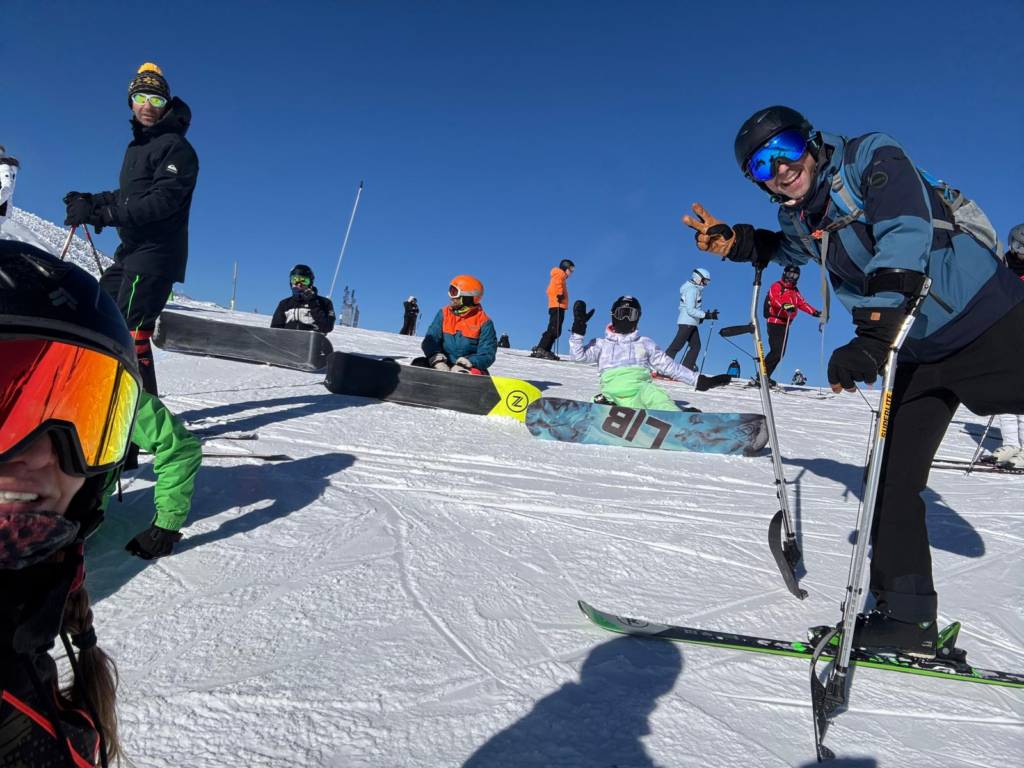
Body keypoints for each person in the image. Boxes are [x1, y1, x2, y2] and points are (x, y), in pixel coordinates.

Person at [683, 105, 1024, 654]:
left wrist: (871, 333)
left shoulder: (872, 157)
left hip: (988, 318)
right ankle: (908, 619)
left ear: (811, 140)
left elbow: (904, 233)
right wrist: (740, 242)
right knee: (889, 478)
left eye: (787, 149)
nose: (781, 168)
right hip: (915, 347)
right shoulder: (799, 216)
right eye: (762, 166)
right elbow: (792, 248)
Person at [63, 63, 199, 398]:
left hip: (155, 256)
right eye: (140, 97)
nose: (147, 106)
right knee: (100, 315)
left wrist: (105, 215)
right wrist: (90, 200)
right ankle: (100, 402)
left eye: (156, 99)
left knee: (131, 336)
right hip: (131, 253)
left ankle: (140, 421)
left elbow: (162, 201)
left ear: (166, 104)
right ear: (131, 102)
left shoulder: (176, 147)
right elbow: (128, 195)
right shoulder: (137, 146)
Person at [569, 296, 731, 409]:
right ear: (613, 315)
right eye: (621, 314)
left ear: (638, 318)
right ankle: (602, 411)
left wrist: (700, 381)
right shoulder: (601, 344)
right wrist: (578, 329)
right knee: (598, 400)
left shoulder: (645, 343)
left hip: (640, 394)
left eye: (631, 315)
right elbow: (578, 357)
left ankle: (678, 421)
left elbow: (670, 367)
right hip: (611, 396)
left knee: (655, 394)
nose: (626, 319)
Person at [415, 275, 497, 374]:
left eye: (454, 292)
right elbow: (431, 339)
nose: (451, 297)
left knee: (474, 373)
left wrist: (466, 363)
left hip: (469, 366)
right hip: (444, 362)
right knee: (418, 364)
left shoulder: (484, 322)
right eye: (450, 291)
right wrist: (436, 358)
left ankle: (466, 381)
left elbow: (487, 354)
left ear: (467, 297)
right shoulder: (444, 313)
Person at [991, 224, 1024, 468]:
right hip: (1007, 332)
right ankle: (1012, 444)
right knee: (1004, 391)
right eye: (1020, 247)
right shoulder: (1003, 266)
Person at [756, 265, 820, 387]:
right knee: (777, 351)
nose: (792, 277)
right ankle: (762, 377)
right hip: (775, 321)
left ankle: (764, 376)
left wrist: (814, 312)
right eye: (790, 274)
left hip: (785, 323)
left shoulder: (795, 290)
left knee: (779, 352)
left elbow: (802, 303)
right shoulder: (777, 285)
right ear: (784, 274)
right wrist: (784, 305)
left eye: (795, 275)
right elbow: (774, 299)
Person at [664, 268, 719, 371]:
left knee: (696, 346)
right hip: (687, 323)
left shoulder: (694, 290)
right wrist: (706, 315)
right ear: (697, 278)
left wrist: (703, 317)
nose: (705, 284)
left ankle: (686, 369)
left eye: (707, 282)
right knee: (677, 345)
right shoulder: (692, 290)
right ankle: (663, 367)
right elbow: (690, 310)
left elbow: (692, 310)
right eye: (705, 281)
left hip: (691, 323)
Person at [271, 264, 336, 334]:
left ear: (310, 283)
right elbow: (275, 329)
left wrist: (313, 304)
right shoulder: (285, 304)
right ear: (291, 282)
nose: (299, 285)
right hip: (288, 340)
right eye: (295, 280)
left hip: (313, 339)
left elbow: (327, 327)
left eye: (304, 281)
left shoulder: (324, 302)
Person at [531, 259, 575, 360]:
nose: (572, 271)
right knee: (553, 329)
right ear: (565, 267)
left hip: (560, 305)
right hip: (557, 305)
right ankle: (541, 348)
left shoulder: (562, 277)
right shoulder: (559, 275)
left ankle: (546, 349)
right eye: (571, 269)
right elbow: (556, 286)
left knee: (556, 330)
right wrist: (559, 294)